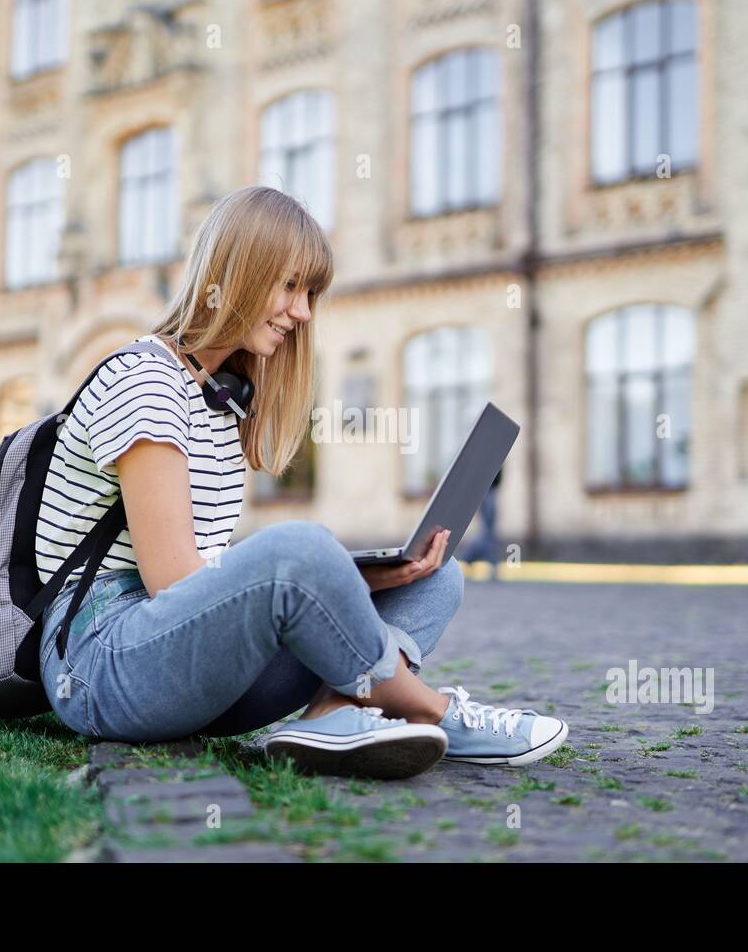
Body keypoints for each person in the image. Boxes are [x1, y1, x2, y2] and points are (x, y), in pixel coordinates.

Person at [34, 186, 567, 779]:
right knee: (303, 548)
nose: (304, 311)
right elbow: (174, 584)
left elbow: (211, 589)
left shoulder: (222, 402)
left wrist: (355, 578)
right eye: (290, 286)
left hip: (185, 668)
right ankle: (435, 713)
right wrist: (316, 572)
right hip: (102, 666)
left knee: (433, 577)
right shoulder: (147, 379)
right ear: (236, 274)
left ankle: (331, 718)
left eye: (310, 293)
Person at [463, 467, 503, 578]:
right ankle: (470, 557)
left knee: (488, 531)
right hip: (486, 490)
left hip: (490, 490)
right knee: (488, 532)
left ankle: (470, 557)